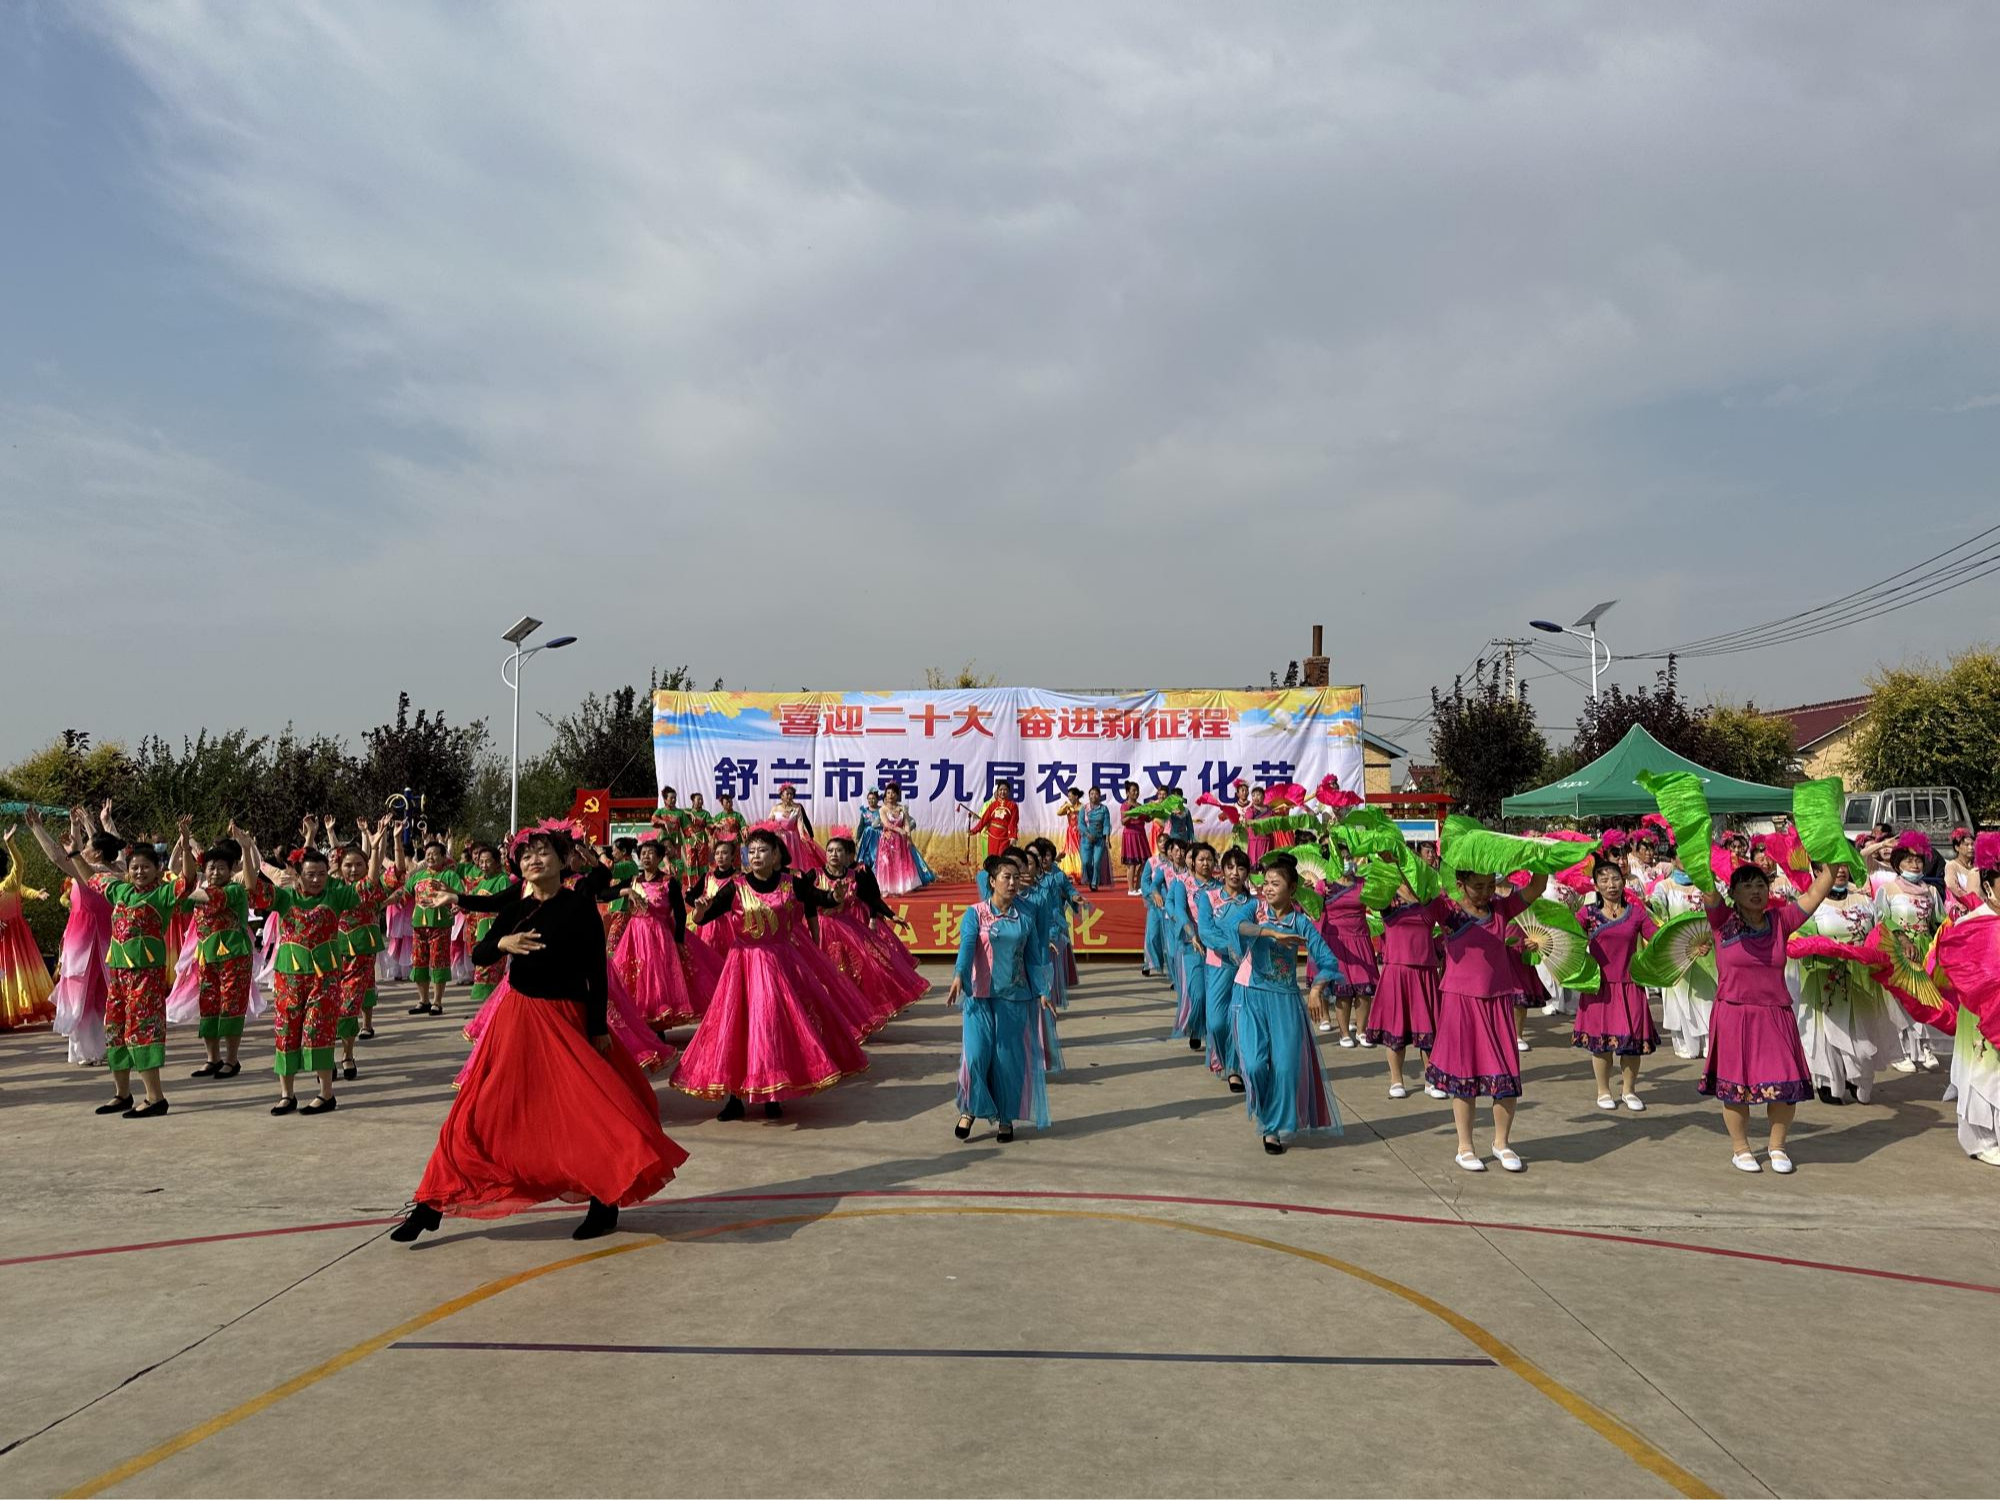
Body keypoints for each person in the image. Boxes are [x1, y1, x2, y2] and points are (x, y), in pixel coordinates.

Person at [391, 823, 689, 1244]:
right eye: (526, 854)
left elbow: (595, 970)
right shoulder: (514, 909)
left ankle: (604, 1204)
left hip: (568, 1020)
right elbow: (479, 953)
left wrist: (598, 1028)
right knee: (474, 1114)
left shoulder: (579, 906)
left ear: (563, 860)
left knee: (591, 1114)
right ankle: (431, 1204)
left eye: (543, 851)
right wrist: (503, 944)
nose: (534, 859)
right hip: (516, 1021)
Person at [671, 828, 871, 1120]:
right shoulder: (736, 887)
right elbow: (705, 916)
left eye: (762, 851)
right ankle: (735, 1097)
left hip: (779, 963)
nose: (755, 856)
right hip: (742, 966)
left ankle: (772, 1093)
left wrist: (835, 894)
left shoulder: (792, 884)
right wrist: (701, 910)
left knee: (772, 1025)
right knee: (736, 1027)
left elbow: (821, 898)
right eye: (750, 852)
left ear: (776, 855)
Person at [33, 814, 181, 1118]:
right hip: (118, 974)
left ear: (157, 871)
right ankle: (122, 1094)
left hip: (145, 976)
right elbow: (89, 877)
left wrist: (184, 844)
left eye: (146, 867)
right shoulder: (119, 889)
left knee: (143, 1031)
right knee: (115, 1029)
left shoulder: (162, 895)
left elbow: (188, 880)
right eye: (135, 867)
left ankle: (155, 1098)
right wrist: (75, 851)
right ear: (128, 870)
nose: (139, 872)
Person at [1699, 859, 1835, 1173]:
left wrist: (1831, 856)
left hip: (1775, 1014)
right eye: (1746, 885)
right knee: (1737, 1089)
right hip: (1734, 1014)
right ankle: (1741, 1148)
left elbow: (1816, 893)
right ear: (1732, 892)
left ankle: (1777, 1146)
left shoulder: (1780, 920)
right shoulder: (1722, 920)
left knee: (1785, 1086)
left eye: (1761, 884)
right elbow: (1704, 881)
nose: (1756, 891)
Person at [1430, 868, 1550, 1172]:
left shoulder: (1502, 908)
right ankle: (1465, 1146)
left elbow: (1537, 886)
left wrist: (1539, 857)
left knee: (1506, 1075)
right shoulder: (1447, 910)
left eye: (1489, 885)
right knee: (1464, 1076)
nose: (1486, 892)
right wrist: (1397, 863)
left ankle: (1502, 1143)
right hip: (1460, 1001)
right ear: (1460, 885)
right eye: (1478, 887)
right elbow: (1416, 890)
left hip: (1497, 1000)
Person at [1230, 854, 1342, 1154]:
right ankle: (1269, 1119)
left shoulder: (1302, 923)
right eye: (1265, 882)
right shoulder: (1254, 911)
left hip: (1286, 1001)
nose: (1267, 888)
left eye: (1275, 884)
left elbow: (1329, 962)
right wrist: (1269, 931)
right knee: (1253, 1066)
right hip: (1250, 996)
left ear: (1292, 889)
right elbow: (1236, 927)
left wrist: (1317, 988)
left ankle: (1272, 1128)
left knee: (1287, 1070)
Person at [946, 849, 1055, 1142]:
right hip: (978, 996)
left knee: (1008, 1059)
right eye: (1006, 877)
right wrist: (959, 974)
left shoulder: (1026, 916)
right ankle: (969, 1109)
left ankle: (1006, 1117)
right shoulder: (976, 913)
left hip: (1015, 995)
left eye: (1016, 878)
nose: (1012, 882)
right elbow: (967, 945)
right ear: (992, 881)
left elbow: (1033, 957)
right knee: (977, 1055)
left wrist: (1043, 990)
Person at [253, 845, 359, 1115]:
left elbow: (369, 886)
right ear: (298, 874)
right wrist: (246, 850)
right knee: (286, 1033)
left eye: (322, 874)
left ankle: (326, 1094)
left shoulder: (335, 897)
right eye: (311, 874)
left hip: (324, 979)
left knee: (318, 1031)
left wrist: (380, 843)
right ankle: (287, 1095)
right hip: (289, 978)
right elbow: (254, 888)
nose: (316, 879)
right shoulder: (285, 898)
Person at [1794, 863, 1898, 1106]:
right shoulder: (1808, 904)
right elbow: (1798, 937)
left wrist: (1899, 939)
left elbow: (1882, 930)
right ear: (1818, 872)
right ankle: (1829, 1082)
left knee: (1862, 1034)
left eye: (1843, 865)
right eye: (1832, 867)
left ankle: (1857, 1077)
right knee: (1828, 1033)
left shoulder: (1864, 901)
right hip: (1824, 976)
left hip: (1860, 977)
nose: (1840, 870)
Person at [812, 836, 928, 1032]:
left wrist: (890, 915)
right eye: (830, 850)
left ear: (848, 854)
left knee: (858, 972)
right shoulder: (813, 876)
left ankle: (853, 1017)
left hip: (848, 930)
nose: (834, 854)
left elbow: (872, 898)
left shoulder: (857, 875)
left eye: (839, 851)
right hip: (820, 930)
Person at [1574, 857, 1659, 1112]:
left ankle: (1629, 1090)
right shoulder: (1587, 914)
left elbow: (1656, 940)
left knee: (1631, 1044)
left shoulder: (1637, 913)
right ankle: (1603, 1090)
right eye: (1604, 880)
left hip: (1630, 983)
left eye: (1615, 879)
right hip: (1600, 987)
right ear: (1596, 886)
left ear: (1623, 881)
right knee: (1602, 1044)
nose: (1611, 884)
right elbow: (1569, 939)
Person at [173, 823, 257, 1078]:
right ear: (205, 870)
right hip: (208, 958)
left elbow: (193, 894)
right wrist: (185, 845)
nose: (216, 871)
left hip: (235, 957)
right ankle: (212, 1059)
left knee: (231, 1006)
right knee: (208, 1005)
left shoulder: (233, 891)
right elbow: (181, 886)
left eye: (222, 867)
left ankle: (232, 1060)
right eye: (211, 867)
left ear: (232, 870)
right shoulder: (201, 890)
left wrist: (179, 890)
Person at [1369, 879, 1447, 1099]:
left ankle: (1431, 1080)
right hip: (1397, 972)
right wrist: (1391, 878)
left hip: (1425, 971)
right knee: (1396, 1027)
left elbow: (1447, 921)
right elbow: (1371, 894)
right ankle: (1396, 1079)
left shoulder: (1430, 901)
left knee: (1429, 1027)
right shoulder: (1388, 903)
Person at [1877, 833, 1944, 1073]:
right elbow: (1881, 921)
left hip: (1923, 951)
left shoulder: (1931, 892)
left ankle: (1924, 1047)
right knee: (1900, 1001)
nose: (1914, 865)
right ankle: (1900, 1051)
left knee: (1922, 999)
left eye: (1918, 860)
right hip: (1898, 951)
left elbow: (1940, 921)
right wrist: (1903, 939)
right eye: (1908, 860)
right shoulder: (1888, 890)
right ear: (1897, 864)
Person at [331, 820, 393, 1078]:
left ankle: (347, 1055)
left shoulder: (370, 890)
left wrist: (377, 845)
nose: (353, 869)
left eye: (359, 864)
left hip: (360, 957)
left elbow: (376, 874)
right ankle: (326, 1058)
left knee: (346, 1008)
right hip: (330, 956)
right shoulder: (331, 889)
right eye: (348, 865)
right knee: (326, 1009)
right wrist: (318, 834)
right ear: (339, 867)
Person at [1195, 847, 1258, 1092]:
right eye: (1230, 867)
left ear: (1247, 873)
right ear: (1222, 870)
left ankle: (1234, 1069)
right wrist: (1228, 946)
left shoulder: (1253, 903)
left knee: (1238, 1020)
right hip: (1218, 967)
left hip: (1245, 969)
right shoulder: (1209, 897)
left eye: (1240, 868)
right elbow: (1206, 931)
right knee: (1216, 1023)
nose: (1235, 873)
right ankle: (1221, 1058)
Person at [1651, 854, 1714, 1059]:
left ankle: (1710, 1042)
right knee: (1678, 998)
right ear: (1673, 859)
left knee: (1707, 998)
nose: (1687, 859)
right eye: (1681, 855)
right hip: (1677, 953)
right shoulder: (1665, 887)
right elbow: (1657, 913)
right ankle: (1684, 1042)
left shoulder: (1708, 884)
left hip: (1707, 953)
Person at [1312, 856, 1380, 1046]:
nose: (1346, 861)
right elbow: (1314, 908)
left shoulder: (1362, 883)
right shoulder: (1324, 884)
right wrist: (1319, 894)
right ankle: (1343, 1033)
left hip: (1360, 939)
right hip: (1337, 941)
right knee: (1343, 990)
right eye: (1341, 858)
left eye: (1349, 857)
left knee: (1364, 987)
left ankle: (1362, 1031)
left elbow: (1376, 905)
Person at [0, 824, 55, 1030]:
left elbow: (20, 869)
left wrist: (10, 844)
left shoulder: (8, 884)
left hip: (14, 940)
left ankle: (10, 1014)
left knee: (14, 976)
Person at [403, 837, 465, 1016]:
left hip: (440, 926)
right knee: (419, 963)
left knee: (439, 963)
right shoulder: (418, 876)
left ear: (444, 857)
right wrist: (384, 902)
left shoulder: (449, 876)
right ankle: (423, 1000)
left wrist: (456, 905)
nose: (430, 857)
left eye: (435, 854)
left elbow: (461, 895)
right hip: (418, 927)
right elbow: (404, 893)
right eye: (428, 854)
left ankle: (437, 1002)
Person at [874, 785, 936, 895]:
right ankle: (887, 888)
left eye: (893, 793)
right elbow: (887, 824)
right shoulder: (882, 809)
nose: (890, 795)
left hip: (900, 841)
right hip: (888, 840)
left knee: (901, 863)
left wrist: (908, 838)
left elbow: (907, 824)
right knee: (888, 864)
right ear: (885, 795)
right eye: (888, 793)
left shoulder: (902, 808)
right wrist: (899, 829)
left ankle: (900, 887)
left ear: (897, 795)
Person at [767, 784, 826, 874]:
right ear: (782, 796)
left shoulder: (797, 808)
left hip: (792, 838)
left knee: (793, 859)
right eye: (787, 794)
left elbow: (800, 822)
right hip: (779, 837)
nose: (790, 796)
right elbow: (769, 822)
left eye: (791, 794)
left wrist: (802, 835)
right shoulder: (775, 808)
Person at [968, 783, 1020, 861]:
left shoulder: (1013, 806)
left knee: (1002, 858)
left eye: (1005, 790)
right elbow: (984, 820)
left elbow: (1013, 823)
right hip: (993, 837)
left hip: (1005, 838)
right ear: (998, 791)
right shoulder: (993, 805)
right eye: (1001, 790)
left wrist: (1012, 837)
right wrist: (974, 830)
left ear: (1009, 792)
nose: (1003, 792)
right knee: (992, 859)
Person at [1118, 781, 1151, 894]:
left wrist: (1154, 811)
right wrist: (1131, 814)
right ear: (1128, 793)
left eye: (1137, 790)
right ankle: (1131, 889)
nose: (1136, 793)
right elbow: (1123, 821)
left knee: (1145, 862)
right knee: (1131, 864)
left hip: (1141, 835)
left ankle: (1138, 886)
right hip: (1130, 836)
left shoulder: (1140, 806)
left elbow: (1147, 819)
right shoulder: (1125, 805)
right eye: (1133, 791)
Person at [1079, 788, 1112, 892]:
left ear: (1100, 796)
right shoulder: (1084, 809)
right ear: (1089, 796)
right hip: (1086, 840)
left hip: (1099, 840)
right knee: (1086, 862)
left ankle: (1094, 883)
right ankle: (1089, 879)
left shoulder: (1104, 809)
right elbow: (1080, 824)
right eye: (1092, 794)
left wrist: (1107, 838)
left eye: (1096, 794)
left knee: (1097, 861)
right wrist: (1087, 834)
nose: (1094, 796)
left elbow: (1106, 824)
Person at [709, 792, 748, 869]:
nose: (729, 804)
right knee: (724, 862)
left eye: (730, 802)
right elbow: (711, 828)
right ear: (722, 804)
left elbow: (743, 826)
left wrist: (745, 830)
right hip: (723, 844)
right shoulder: (718, 816)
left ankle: (737, 879)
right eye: (727, 802)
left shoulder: (737, 815)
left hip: (735, 844)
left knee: (736, 863)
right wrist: (715, 825)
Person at [1054, 787, 1084, 882]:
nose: (1069, 798)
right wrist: (1065, 806)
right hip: (1070, 833)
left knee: (1079, 852)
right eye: (1068, 797)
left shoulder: (1082, 807)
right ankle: (1071, 873)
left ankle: (1081, 873)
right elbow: (1058, 813)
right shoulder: (1068, 807)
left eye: (1070, 796)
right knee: (1069, 851)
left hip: (1079, 832)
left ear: (1076, 796)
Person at [855, 789, 884, 870]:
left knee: (877, 855)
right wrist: (857, 838)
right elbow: (861, 826)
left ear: (877, 799)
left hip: (879, 836)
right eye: (869, 799)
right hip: (867, 837)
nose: (871, 800)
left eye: (873, 798)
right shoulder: (864, 811)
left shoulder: (882, 810)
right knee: (866, 856)